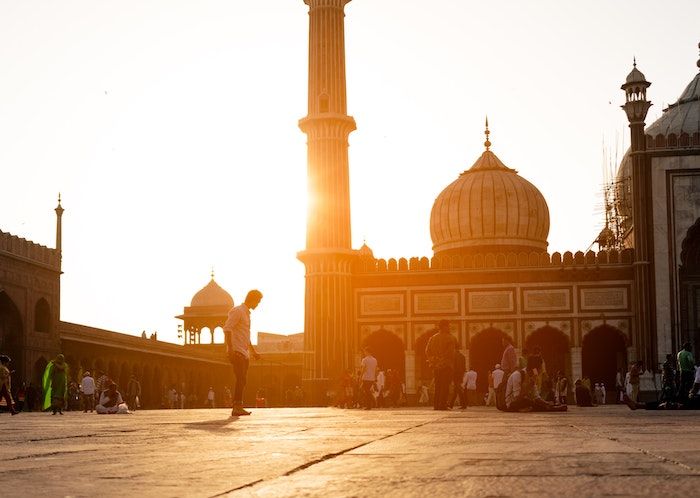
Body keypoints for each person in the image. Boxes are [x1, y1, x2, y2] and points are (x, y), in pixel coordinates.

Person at [223, 289, 263, 417]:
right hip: (237, 351)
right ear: (252, 299)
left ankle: (238, 405)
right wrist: (230, 349)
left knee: (243, 380)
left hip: (244, 352)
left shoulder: (246, 314)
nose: (258, 304)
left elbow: (245, 336)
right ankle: (236, 407)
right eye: (258, 301)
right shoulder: (238, 311)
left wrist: (253, 352)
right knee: (240, 379)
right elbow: (227, 329)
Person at [425, 320, 458, 411]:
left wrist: (434, 360)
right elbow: (450, 353)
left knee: (438, 386)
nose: (449, 328)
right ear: (444, 327)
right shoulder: (450, 338)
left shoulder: (432, 338)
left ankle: (436, 405)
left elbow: (427, 351)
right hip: (446, 366)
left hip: (436, 366)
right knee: (445, 386)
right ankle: (442, 405)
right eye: (448, 326)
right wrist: (442, 361)